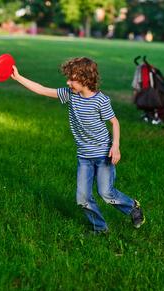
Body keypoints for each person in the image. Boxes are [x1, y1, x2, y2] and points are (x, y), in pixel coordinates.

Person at [11, 57, 145, 233]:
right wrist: (18, 77)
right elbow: (42, 90)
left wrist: (116, 146)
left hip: (104, 154)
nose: (68, 82)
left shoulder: (101, 100)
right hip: (84, 157)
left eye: (72, 79)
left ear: (86, 79)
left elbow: (115, 122)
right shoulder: (70, 94)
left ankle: (133, 207)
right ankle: (100, 228)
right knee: (82, 198)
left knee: (106, 193)